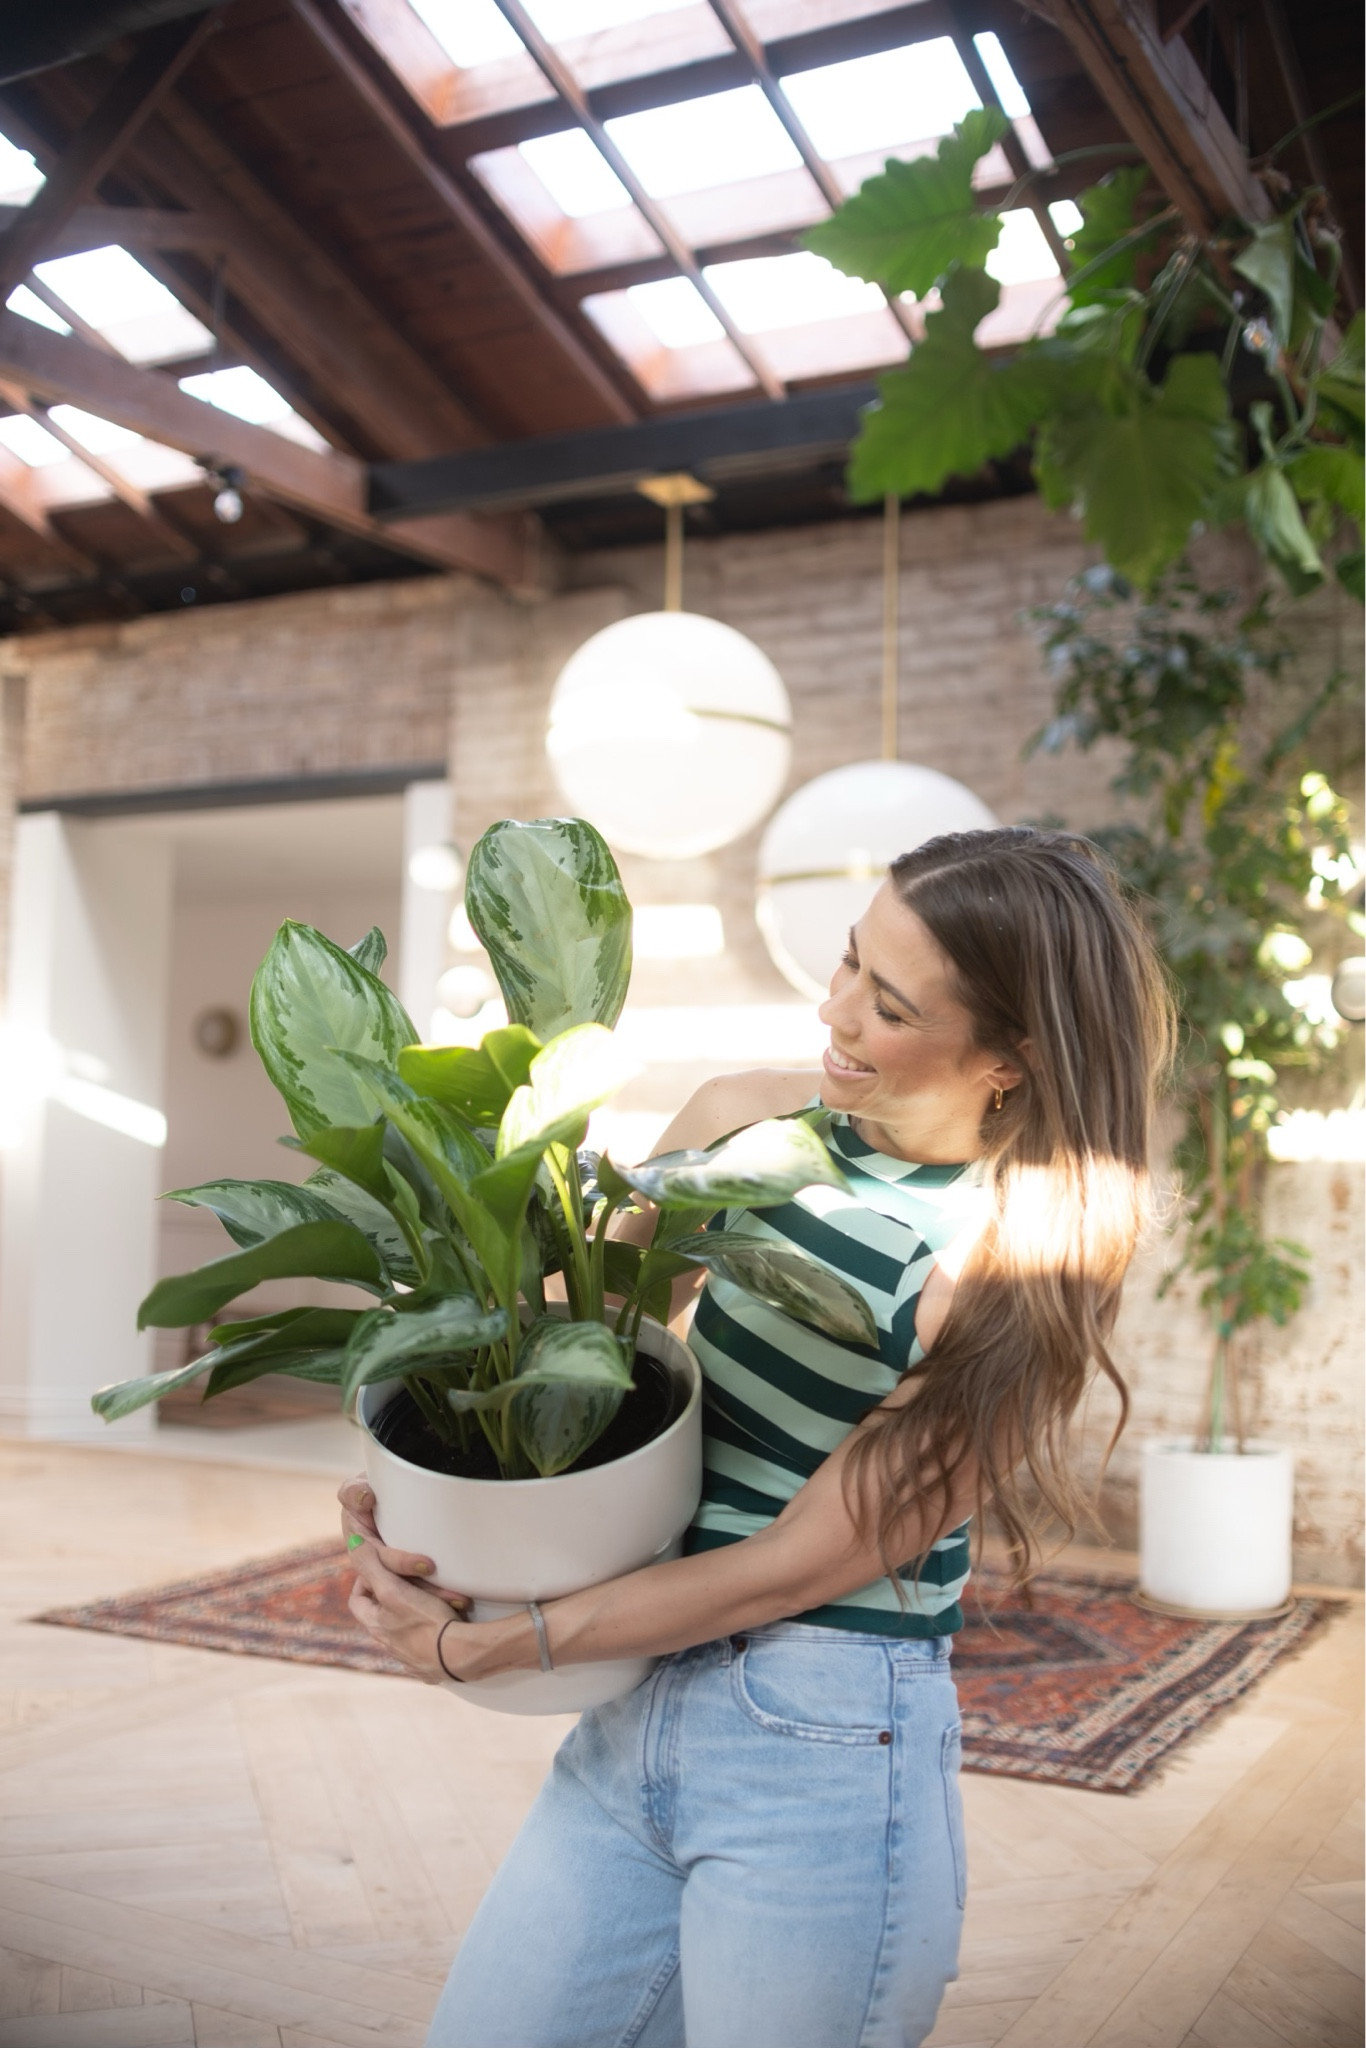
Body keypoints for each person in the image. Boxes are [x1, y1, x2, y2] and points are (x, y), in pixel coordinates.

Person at [340, 826, 1175, 2048]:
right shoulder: (743, 1118)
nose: (833, 1011)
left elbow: (798, 1561)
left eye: (886, 1003)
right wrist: (415, 1480)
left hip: (826, 1744)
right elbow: (556, 1350)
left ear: (1013, 1054)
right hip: (634, 1705)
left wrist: (498, 1649)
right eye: (846, 961)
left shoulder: (1018, 1255)